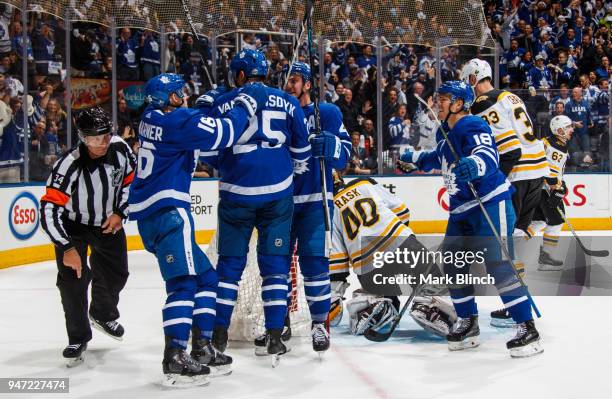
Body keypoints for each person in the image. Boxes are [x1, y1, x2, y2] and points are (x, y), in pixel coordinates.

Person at [128, 72, 267, 387]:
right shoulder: (177, 122)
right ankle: (174, 357)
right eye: (181, 93)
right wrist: (243, 105)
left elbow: (189, 128)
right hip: (169, 212)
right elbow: (224, 134)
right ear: (171, 98)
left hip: (153, 214)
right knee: (183, 284)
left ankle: (202, 348)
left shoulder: (151, 118)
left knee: (207, 278)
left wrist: (204, 109)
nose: (185, 97)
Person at [399, 81, 543, 358]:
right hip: (461, 211)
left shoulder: (471, 124)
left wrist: (474, 165)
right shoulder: (448, 134)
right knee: (453, 267)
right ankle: (468, 322)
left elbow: (487, 154)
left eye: (443, 98)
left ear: (458, 104)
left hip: (489, 204)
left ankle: (527, 327)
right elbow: (434, 158)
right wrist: (413, 159)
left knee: (500, 267)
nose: (437, 102)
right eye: (437, 97)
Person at [203, 49, 311, 362]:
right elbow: (302, 152)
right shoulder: (288, 101)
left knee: (228, 270)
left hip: (236, 194)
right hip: (277, 196)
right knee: (275, 269)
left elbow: (209, 154)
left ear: (239, 74)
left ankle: (218, 336)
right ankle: (275, 336)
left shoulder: (223, 102)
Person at [39, 107, 136, 366]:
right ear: (82, 137)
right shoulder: (68, 165)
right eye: (95, 138)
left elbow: (131, 182)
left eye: (106, 135)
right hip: (74, 228)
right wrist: (66, 246)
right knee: (72, 282)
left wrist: (120, 211)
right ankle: (78, 337)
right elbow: (49, 208)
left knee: (118, 273)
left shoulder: (121, 149)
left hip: (108, 223)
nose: (102, 142)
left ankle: (102, 313)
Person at [267, 61, 351, 355]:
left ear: (308, 84)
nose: (290, 84)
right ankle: (280, 323)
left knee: (314, 264)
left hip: (316, 201)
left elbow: (345, 156)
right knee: (278, 266)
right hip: (282, 202)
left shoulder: (327, 113)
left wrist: (333, 146)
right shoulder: (278, 116)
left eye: (295, 79)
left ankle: (318, 324)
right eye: (286, 80)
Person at [461, 58, 548, 327]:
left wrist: (494, 178)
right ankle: (517, 303)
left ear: (474, 78)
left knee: (502, 246)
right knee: (515, 240)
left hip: (518, 175)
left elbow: (510, 150)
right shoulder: (509, 95)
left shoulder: (483, 104)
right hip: (538, 170)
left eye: (468, 81)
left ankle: (515, 304)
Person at [328, 173, 456, 339]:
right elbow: (401, 210)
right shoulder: (364, 183)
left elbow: (337, 261)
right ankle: (427, 305)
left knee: (384, 294)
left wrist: (333, 296)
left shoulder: (329, 211)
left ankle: (375, 305)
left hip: (367, 265)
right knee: (431, 279)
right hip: (400, 243)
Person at [527, 115, 573, 271]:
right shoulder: (557, 147)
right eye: (568, 127)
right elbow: (551, 172)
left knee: (538, 221)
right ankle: (546, 259)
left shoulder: (549, 141)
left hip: (536, 187)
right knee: (557, 221)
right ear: (559, 130)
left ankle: (513, 245)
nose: (571, 130)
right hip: (545, 190)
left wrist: (560, 183)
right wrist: (557, 187)